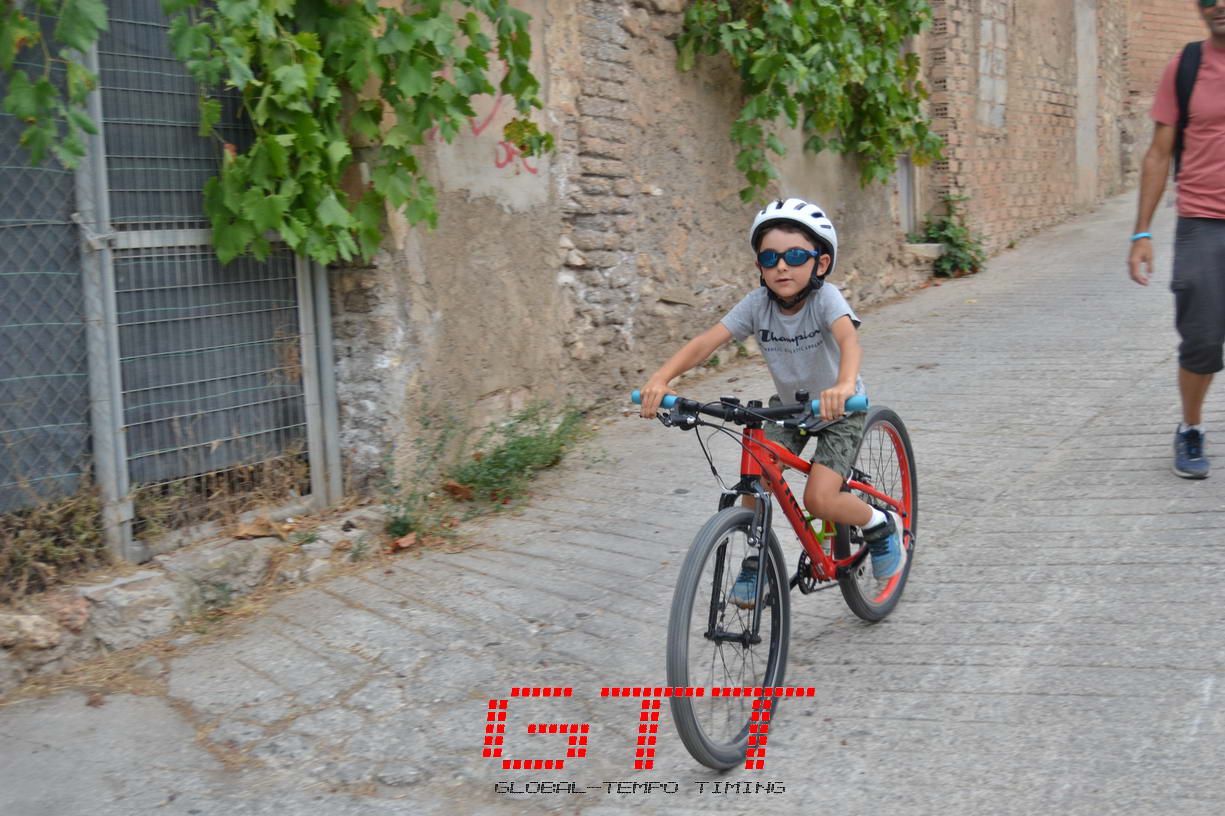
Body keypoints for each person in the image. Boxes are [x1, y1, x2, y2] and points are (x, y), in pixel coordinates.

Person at [637, 198, 904, 605]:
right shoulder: (756, 305)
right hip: (789, 409)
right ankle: (756, 559)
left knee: (819, 499)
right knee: (757, 475)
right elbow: (707, 342)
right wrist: (661, 378)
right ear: (759, 266)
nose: (782, 266)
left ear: (821, 263)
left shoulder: (826, 299)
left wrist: (844, 385)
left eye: (795, 256)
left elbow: (849, 340)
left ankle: (879, 524)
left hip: (840, 410)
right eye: (770, 257)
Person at [1128, 0, 1225, 479]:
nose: (1219, 4)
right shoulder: (1184, 67)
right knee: (1202, 338)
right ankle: (1191, 427)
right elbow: (1158, 153)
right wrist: (1142, 231)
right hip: (1202, 220)